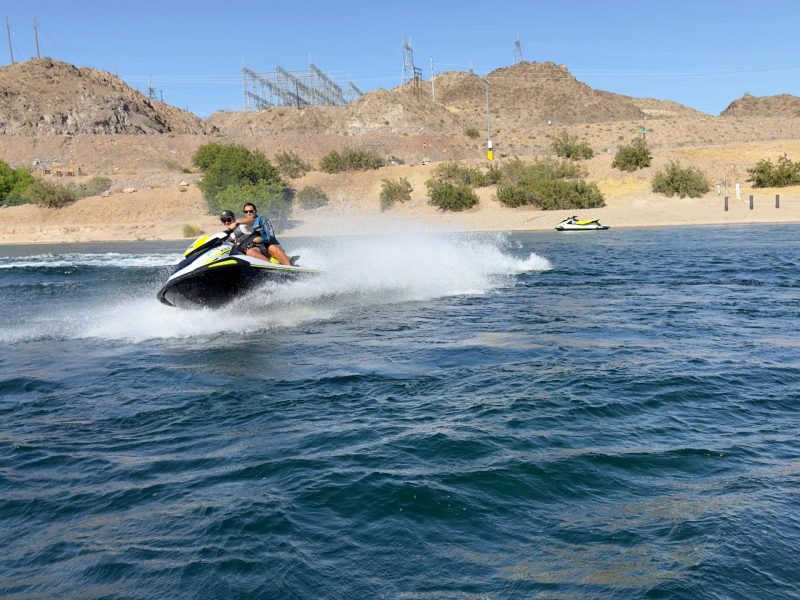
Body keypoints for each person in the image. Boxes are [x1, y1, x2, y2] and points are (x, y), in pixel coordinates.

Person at [225, 203, 292, 266]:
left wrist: (261, 238)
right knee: (250, 252)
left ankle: (289, 267)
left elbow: (271, 236)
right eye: (246, 212)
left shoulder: (262, 220)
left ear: (256, 211)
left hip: (271, 245)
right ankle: (271, 269)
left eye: (251, 211)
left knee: (272, 248)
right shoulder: (244, 226)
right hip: (259, 248)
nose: (248, 213)